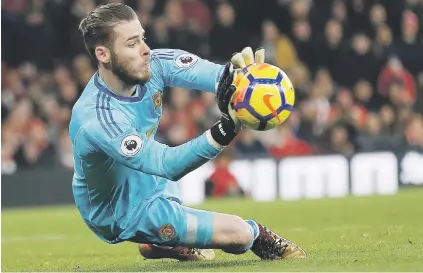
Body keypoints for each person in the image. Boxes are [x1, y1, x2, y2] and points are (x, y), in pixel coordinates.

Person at [70, 3, 306, 262]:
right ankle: (257, 234)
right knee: (238, 233)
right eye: (131, 43)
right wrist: (226, 129)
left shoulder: (155, 64)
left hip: (152, 179)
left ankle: (161, 244)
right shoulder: (97, 117)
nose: (146, 49)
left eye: (143, 38)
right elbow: (167, 164)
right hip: (121, 211)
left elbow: (214, 75)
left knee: (175, 210)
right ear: (103, 54)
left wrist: (242, 79)